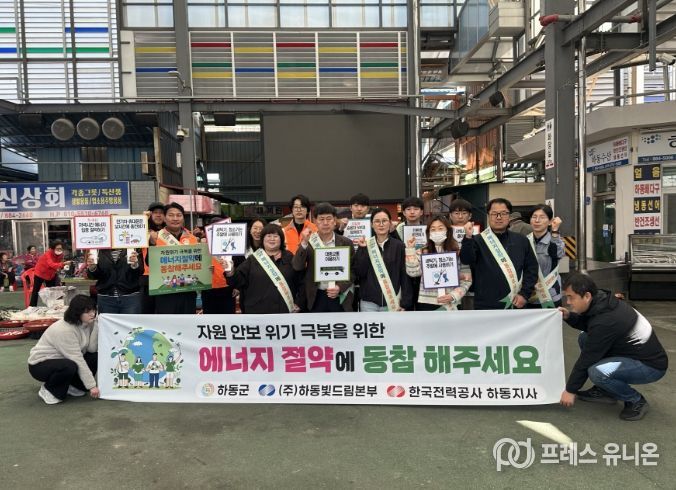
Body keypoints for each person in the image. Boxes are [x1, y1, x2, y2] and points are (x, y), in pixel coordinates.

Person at [559, 273, 668, 421]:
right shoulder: (602, 301)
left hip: (650, 366)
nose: (568, 302)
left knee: (597, 372)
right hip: (632, 354)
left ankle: (636, 400)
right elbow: (590, 325)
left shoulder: (606, 320)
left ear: (587, 296)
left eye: (571, 297)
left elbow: (588, 358)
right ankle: (606, 391)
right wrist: (569, 316)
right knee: (585, 337)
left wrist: (570, 390)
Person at [459, 198, 538, 310]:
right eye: (494, 213)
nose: (499, 217)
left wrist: (525, 294)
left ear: (509, 216)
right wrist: (468, 237)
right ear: (488, 216)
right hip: (485, 304)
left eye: (503, 213)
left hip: (516, 302)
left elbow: (531, 269)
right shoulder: (477, 240)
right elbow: (466, 259)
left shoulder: (522, 240)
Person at [27, 295, 100, 404]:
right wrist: (92, 386)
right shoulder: (64, 330)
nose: (92, 314)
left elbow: (92, 349)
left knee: (94, 356)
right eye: (87, 312)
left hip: (65, 359)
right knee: (69, 366)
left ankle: (73, 386)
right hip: (40, 364)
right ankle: (48, 389)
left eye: (94, 310)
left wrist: (97, 325)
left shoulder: (88, 323)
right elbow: (77, 359)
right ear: (77, 312)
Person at [293, 202, 355, 312]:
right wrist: (304, 243)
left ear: (334, 220)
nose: (325, 223)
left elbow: (353, 270)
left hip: (339, 295)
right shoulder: (309, 241)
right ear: (315, 221)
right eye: (321, 219)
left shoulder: (346, 242)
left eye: (329, 219)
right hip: (316, 295)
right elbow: (297, 266)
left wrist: (340, 287)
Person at [227, 224, 301, 314]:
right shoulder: (253, 259)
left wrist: (299, 302)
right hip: (258, 312)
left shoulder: (290, 257)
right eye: (268, 236)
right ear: (262, 239)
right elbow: (238, 281)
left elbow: (301, 281)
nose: (272, 239)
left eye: (275, 236)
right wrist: (230, 271)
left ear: (281, 239)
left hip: (284, 311)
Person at [405, 215, 472, 310]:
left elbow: (467, 279)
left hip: (452, 303)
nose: (437, 232)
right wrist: (410, 249)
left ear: (448, 231)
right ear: (428, 233)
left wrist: (453, 295)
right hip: (427, 302)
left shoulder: (458, 250)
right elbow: (413, 272)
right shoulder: (423, 251)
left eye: (440, 228)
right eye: (433, 229)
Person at [354, 208, 412, 312]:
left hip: (392, 301)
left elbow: (404, 275)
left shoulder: (399, 246)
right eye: (377, 221)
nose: (381, 224)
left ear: (390, 223)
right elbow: (359, 272)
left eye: (384, 221)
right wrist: (362, 250)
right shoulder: (366, 244)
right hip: (368, 303)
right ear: (372, 224)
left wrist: (405, 302)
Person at [153, 203, 199, 314]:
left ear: (183, 218)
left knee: (188, 322)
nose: (175, 218)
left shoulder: (192, 238)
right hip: (164, 292)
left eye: (179, 215)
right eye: (171, 215)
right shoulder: (155, 237)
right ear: (164, 218)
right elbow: (149, 263)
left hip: (188, 292)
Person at [527, 204, 565, 308]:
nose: (537, 220)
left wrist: (555, 230)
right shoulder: (525, 241)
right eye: (534, 217)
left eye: (542, 217)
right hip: (529, 295)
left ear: (550, 221)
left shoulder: (555, 240)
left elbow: (557, 253)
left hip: (550, 295)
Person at [86, 248, 143, 314]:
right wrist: (92, 268)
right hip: (106, 299)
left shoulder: (134, 247)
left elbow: (140, 271)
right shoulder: (98, 249)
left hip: (130, 297)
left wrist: (135, 265)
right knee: (106, 321)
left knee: (131, 321)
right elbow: (93, 276)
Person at [202, 217, 235, 315]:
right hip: (208, 290)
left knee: (228, 321)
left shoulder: (232, 246)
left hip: (228, 290)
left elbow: (239, 267)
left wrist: (237, 287)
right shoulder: (202, 246)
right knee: (210, 321)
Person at [29, 240, 71, 307]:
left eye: (61, 248)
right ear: (53, 248)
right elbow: (51, 264)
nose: (59, 250)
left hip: (50, 274)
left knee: (52, 290)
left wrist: (63, 266)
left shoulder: (61, 255)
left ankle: (52, 306)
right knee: (35, 291)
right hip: (40, 273)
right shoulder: (48, 254)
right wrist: (63, 264)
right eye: (57, 248)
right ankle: (32, 307)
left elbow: (57, 265)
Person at [141, 201, 165, 314]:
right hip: (146, 277)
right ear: (150, 214)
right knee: (147, 311)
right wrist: (143, 219)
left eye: (161, 213)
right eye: (155, 212)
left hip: (165, 275)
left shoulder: (169, 232)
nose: (158, 215)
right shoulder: (142, 229)